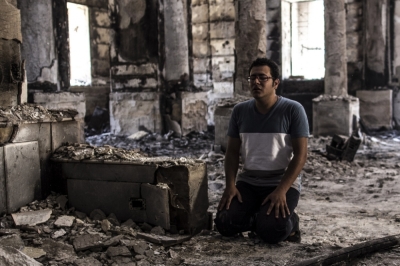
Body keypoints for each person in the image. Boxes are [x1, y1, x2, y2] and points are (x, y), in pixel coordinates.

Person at [214, 58, 309, 244]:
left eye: (262, 78)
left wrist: (282, 190)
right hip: (249, 182)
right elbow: (232, 152)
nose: (256, 82)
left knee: (273, 231)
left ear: (275, 83)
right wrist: (230, 186)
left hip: (280, 182)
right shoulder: (240, 111)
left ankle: (291, 222)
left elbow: (301, 154)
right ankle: (257, 217)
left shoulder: (293, 110)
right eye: (252, 78)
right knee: (224, 224)